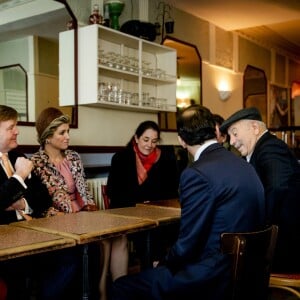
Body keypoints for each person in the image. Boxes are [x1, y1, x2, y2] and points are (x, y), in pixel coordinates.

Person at [110, 105, 266, 300]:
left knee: (120, 286)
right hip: (248, 270)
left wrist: (165, 263)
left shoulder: (196, 173)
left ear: (181, 141)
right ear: (216, 131)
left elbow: (188, 242)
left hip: (213, 275)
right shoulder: (245, 165)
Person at [30, 107, 126, 300]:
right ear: (48, 136)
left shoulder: (74, 157)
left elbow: (84, 192)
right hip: (58, 221)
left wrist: (90, 210)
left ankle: (102, 291)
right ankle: (97, 292)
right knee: (100, 242)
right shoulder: (36, 163)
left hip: (82, 213)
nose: (67, 137)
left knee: (116, 236)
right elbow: (41, 204)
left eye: (68, 132)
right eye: (62, 133)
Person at [0, 105, 76, 300]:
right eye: (11, 127)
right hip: (8, 245)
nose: (17, 131)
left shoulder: (18, 156)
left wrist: (22, 204)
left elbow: (43, 198)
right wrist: (19, 176)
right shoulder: (23, 165)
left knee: (76, 254)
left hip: (34, 235)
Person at [220, 106, 300, 273]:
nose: (232, 141)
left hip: (285, 247)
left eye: (235, 134)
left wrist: (259, 228)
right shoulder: (259, 151)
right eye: (229, 137)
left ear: (255, 128)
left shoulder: (270, 147)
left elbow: (278, 188)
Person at [106, 120, 179, 267]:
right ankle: (148, 274)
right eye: (146, 140)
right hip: (128, 212)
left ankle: (157, 273)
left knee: (170, 230)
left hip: (157, 213)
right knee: (144, 235)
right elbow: (113, 191)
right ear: (136, 138)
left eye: (154, 141)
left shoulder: (166, 158)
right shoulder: (121, 158)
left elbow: (171, 190)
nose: (149, 145)